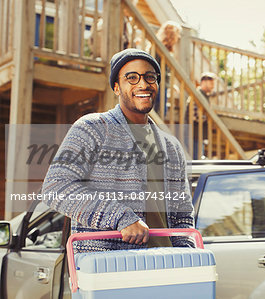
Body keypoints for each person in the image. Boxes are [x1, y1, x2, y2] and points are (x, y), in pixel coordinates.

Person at [42, 48, 194, 253]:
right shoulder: (92, 128)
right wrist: (120, 217)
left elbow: (182, 213)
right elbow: (56, 187)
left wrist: (187, 253)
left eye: (150, 77)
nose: (143, 84)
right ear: (116, 87)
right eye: (132, 77)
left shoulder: (171, 147)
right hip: (108, 268)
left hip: (167, 266)